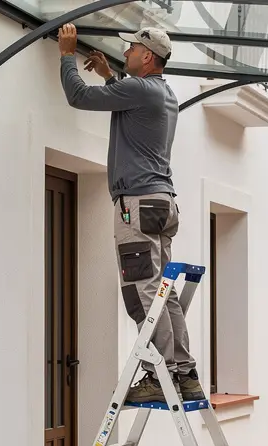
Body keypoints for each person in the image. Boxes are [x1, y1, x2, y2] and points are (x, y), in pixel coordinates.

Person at [57, 23, 204, 404]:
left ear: (148, 56)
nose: (125, 54)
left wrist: (66, 54)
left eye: (131, 49)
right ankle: (184, 374)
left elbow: (78, 96)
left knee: (142, 295)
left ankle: (160, 374)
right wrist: (110, 75)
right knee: (163, 294)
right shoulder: (163, 93)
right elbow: (128, 97)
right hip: (162, 204)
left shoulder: (139, 89)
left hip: (136, 205)